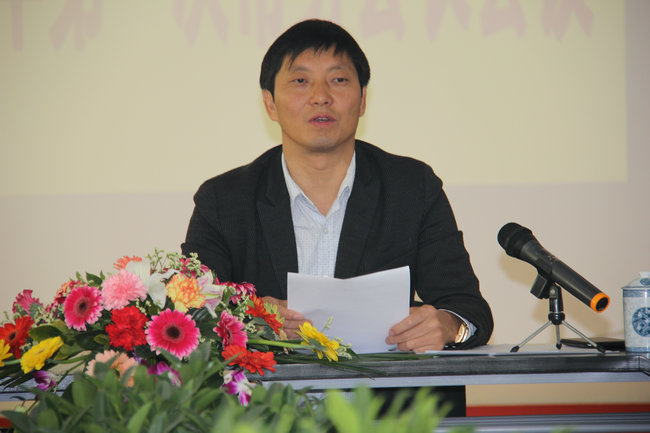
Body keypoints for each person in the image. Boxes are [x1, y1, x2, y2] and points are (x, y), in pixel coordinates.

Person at [182, 19, 493, 354]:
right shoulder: (224, 201)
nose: (321, 97)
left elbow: (468, 309)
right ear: (270, 103)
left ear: (362, 100)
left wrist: (449, 326)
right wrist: (249, 320)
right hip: (269, 388)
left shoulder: (412, 188)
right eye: (300, 81)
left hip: (382, 388)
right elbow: (190, 316)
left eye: (338, 80)